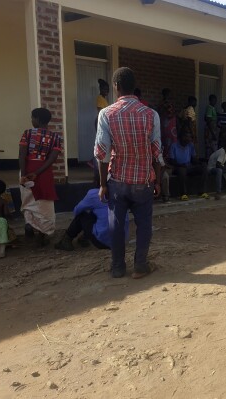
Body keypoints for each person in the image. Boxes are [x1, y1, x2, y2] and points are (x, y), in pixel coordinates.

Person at [94, 67, 162, 279]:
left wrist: (103, 184)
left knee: (116, 224)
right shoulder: (151, 115)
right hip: (143, 181)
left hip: (117, 181)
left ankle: (117, 267)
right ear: (134, 86)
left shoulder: (106, 114)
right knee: (144, 225)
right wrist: (158, 181)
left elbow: (101, 153)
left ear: (116, 87)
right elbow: (157, 152)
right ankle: (140, 265)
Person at [19, 108, 63, 246]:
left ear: (37, 119)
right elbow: (52, 158)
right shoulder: (56, 137)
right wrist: (37, 173)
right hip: (44, 173)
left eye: (32, 118)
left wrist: (24, 173)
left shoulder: (27, 133)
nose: (31, 120)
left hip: (27, 169)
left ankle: (29, 226)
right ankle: (42, 233)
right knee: (44, 203)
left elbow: (22, 155)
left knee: (28, 201)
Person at [55, 183, 129, 251]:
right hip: (120, 241)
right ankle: (84, 238)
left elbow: (77, 210)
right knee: (98, 214)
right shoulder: (122, 194)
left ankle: (67, 239)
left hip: (102, 241)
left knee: (82, 215)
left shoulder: (95, 194)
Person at [167, 133, 209, 201]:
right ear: (181, 137)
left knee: (204, 168)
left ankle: (202, 192)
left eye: (189, 137)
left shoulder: (190, 145)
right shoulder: (174, 146)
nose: (189, 139)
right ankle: (183, 194)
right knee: (182, 171)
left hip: (189, 166)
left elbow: (193, 159)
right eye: (187, 137)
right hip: (178, 167)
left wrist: (200, 162)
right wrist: (181, 165)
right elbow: (171, 161)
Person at [158, 88, 178, 159]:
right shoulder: (167, 104)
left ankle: (166, 157)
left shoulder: (160, 103)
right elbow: (170, 114)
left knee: (165, 141)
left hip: (164, 125)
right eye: (168, 94)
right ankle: (170, 158)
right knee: (170, 141)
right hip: (169, 126)